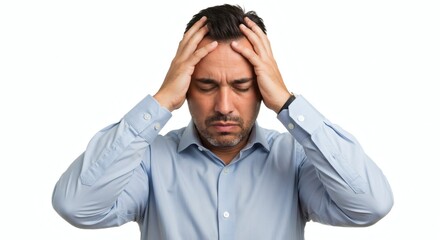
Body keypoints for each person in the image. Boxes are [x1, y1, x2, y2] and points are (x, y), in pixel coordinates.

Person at [52, 4, 393, 240]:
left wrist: (289, 104)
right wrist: (159, 102)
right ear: (184, 87)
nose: (224, 106)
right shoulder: (149, 160)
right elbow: (77, 206)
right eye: (206, 85)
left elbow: (370, 205)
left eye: (242, 86)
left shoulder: (296, 157)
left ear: (262, 87)